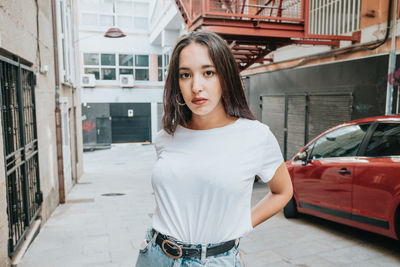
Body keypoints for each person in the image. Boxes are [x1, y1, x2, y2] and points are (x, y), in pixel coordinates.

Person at [135, 31, 293, 267]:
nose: (196, 86)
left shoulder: (255, 136)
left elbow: (283, 191)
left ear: (225, 77)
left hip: (213, 261)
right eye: (185, 75)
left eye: (208, 72)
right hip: (154, 256)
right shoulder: (166, 137)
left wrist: (240, 226)